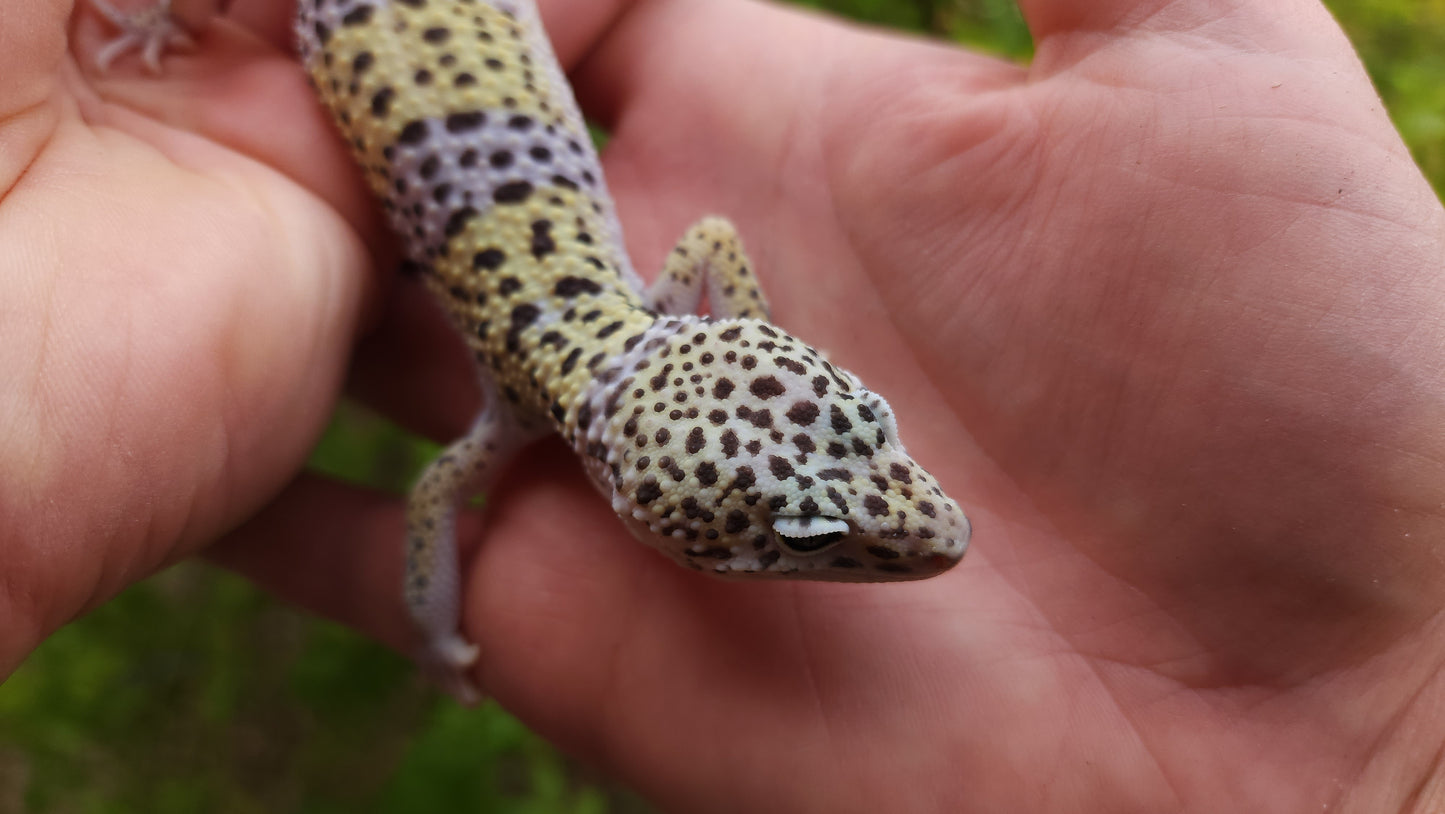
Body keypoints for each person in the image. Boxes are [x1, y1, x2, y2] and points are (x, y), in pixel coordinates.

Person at [5, 0, 1442, 809]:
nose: (915, 528)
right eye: (805, 533)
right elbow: (454, 478)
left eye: (856, 441)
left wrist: (444, 619)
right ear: (649, 509)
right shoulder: (519, 401)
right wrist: (432, 618)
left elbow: (691, 277)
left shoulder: (579, 364)